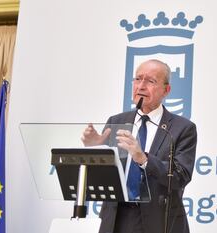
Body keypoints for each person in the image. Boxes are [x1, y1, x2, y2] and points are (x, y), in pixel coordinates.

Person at [81, 59, 197, 233]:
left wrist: (143, 158)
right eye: (138, 79)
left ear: (166, 90)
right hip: (116, 219)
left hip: (159, 221)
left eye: (150, 81)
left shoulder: (182, 128)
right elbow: (103, 174)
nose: (141, 86)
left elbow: (180, 177)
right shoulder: (116, 122)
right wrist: (94, 146)